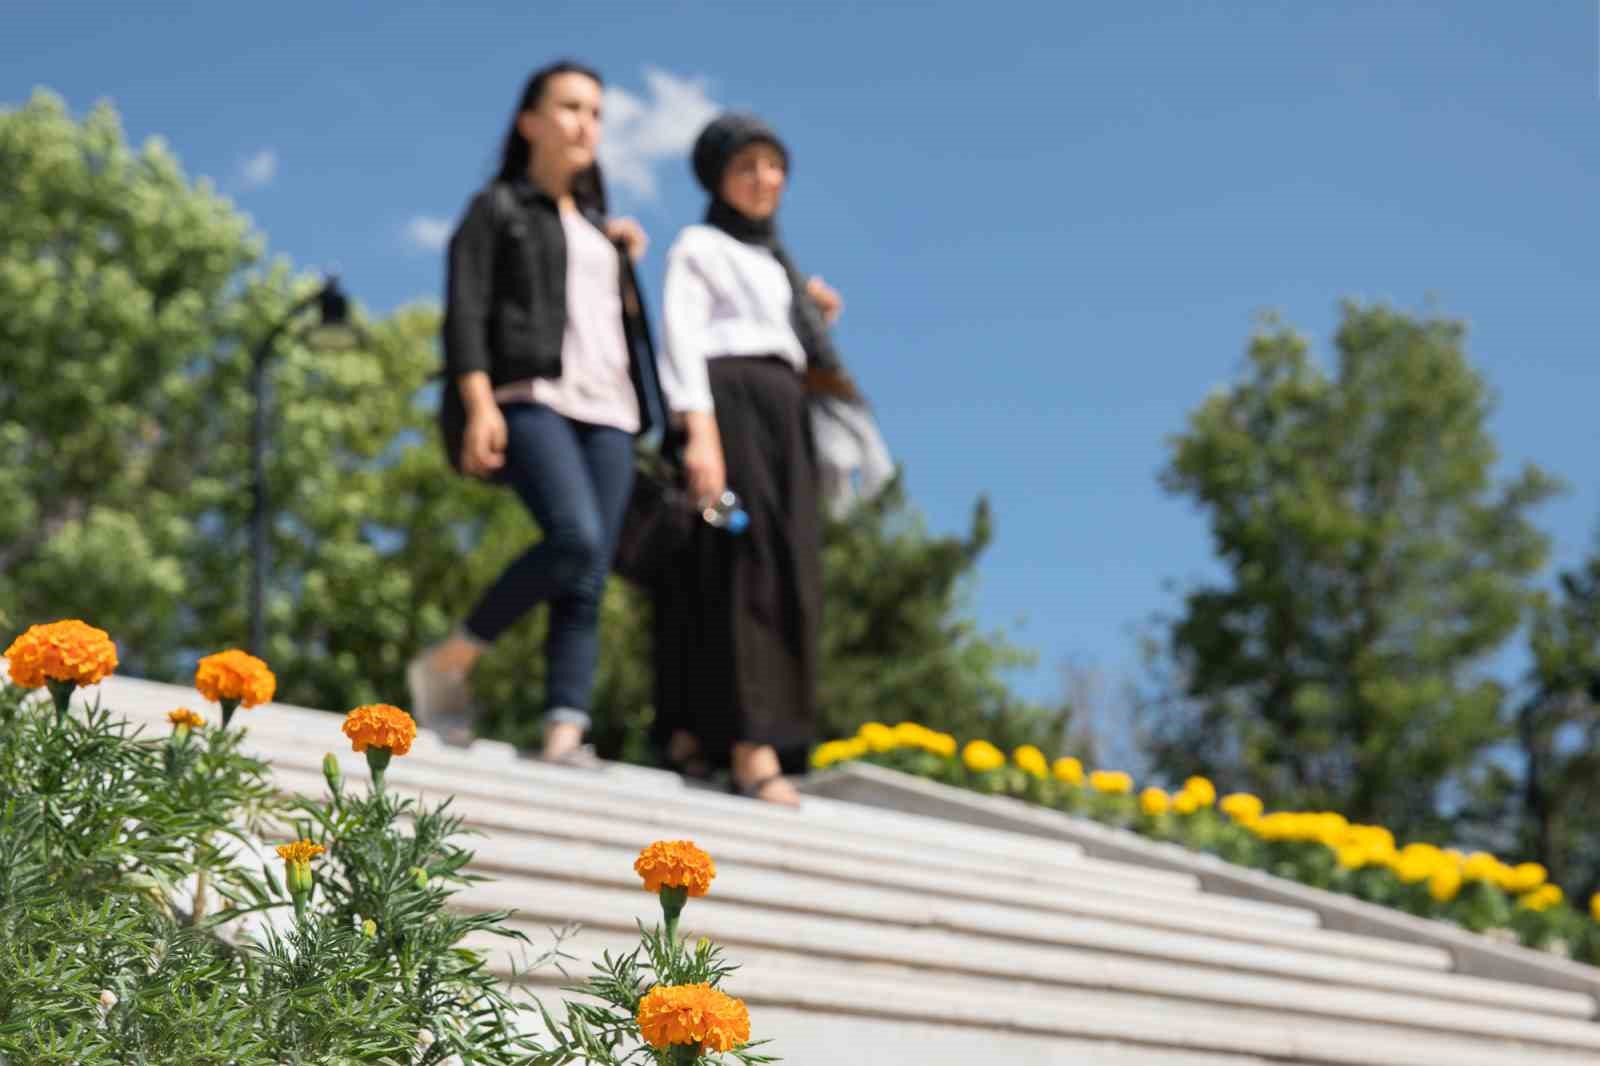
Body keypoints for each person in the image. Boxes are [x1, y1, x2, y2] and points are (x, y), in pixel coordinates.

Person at [407, 60, 656, 765]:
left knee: (589, 570)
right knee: (573, 537)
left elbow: (618, 331)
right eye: (571, 107)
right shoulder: (498, 209)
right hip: (530, 398)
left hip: (612, 410)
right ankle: (452, 658)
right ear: (530, 122)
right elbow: (466, 312)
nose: (587, 124)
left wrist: (628, 270)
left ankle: (563, 734)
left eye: (597, 112)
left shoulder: (605, 231)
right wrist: (478, 403)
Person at [652, 113, 857, 807]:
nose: (764, 179)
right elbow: (681, 340)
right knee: (746, 568)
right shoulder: (698, 245)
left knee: (790, 567)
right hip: (729, 405)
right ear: (718, 178)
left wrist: (811, 320)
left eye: (774, 166)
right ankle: (748, 743)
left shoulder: (776, 261)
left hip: (784, 414)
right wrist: (699, 434)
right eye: (747, 166)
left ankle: (741, 733)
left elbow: (778, 340)